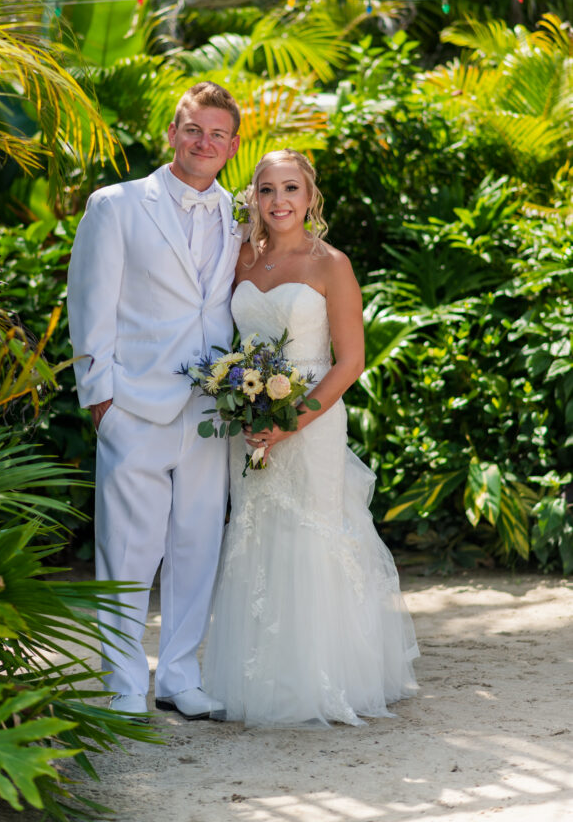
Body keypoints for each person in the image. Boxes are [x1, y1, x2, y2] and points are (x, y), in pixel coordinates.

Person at [203, 149, 419, 726]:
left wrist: (290, 421)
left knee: (314, 535)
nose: (279, 201)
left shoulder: (331, 264)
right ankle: (260, 676)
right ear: (254, 197)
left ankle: (327, 678)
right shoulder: (241, 259)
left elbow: (349, 362)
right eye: (267, 189)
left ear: (310, 197)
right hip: (250, 424)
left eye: (290, 188)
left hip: (313, 422)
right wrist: (247, 407)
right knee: (256, 533)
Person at [67, 81, 242, 721]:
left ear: (232, 144)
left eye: (217, 134)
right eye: (193, 129)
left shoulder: (239, 211)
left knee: (197, 545)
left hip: (211, 409)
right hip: (133, 404)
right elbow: (89, 307)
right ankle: (121, 683)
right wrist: (102, 403)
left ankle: (179, 675)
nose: (204, 142)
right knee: (127, 551)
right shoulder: (115, 206)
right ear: (173, 132)